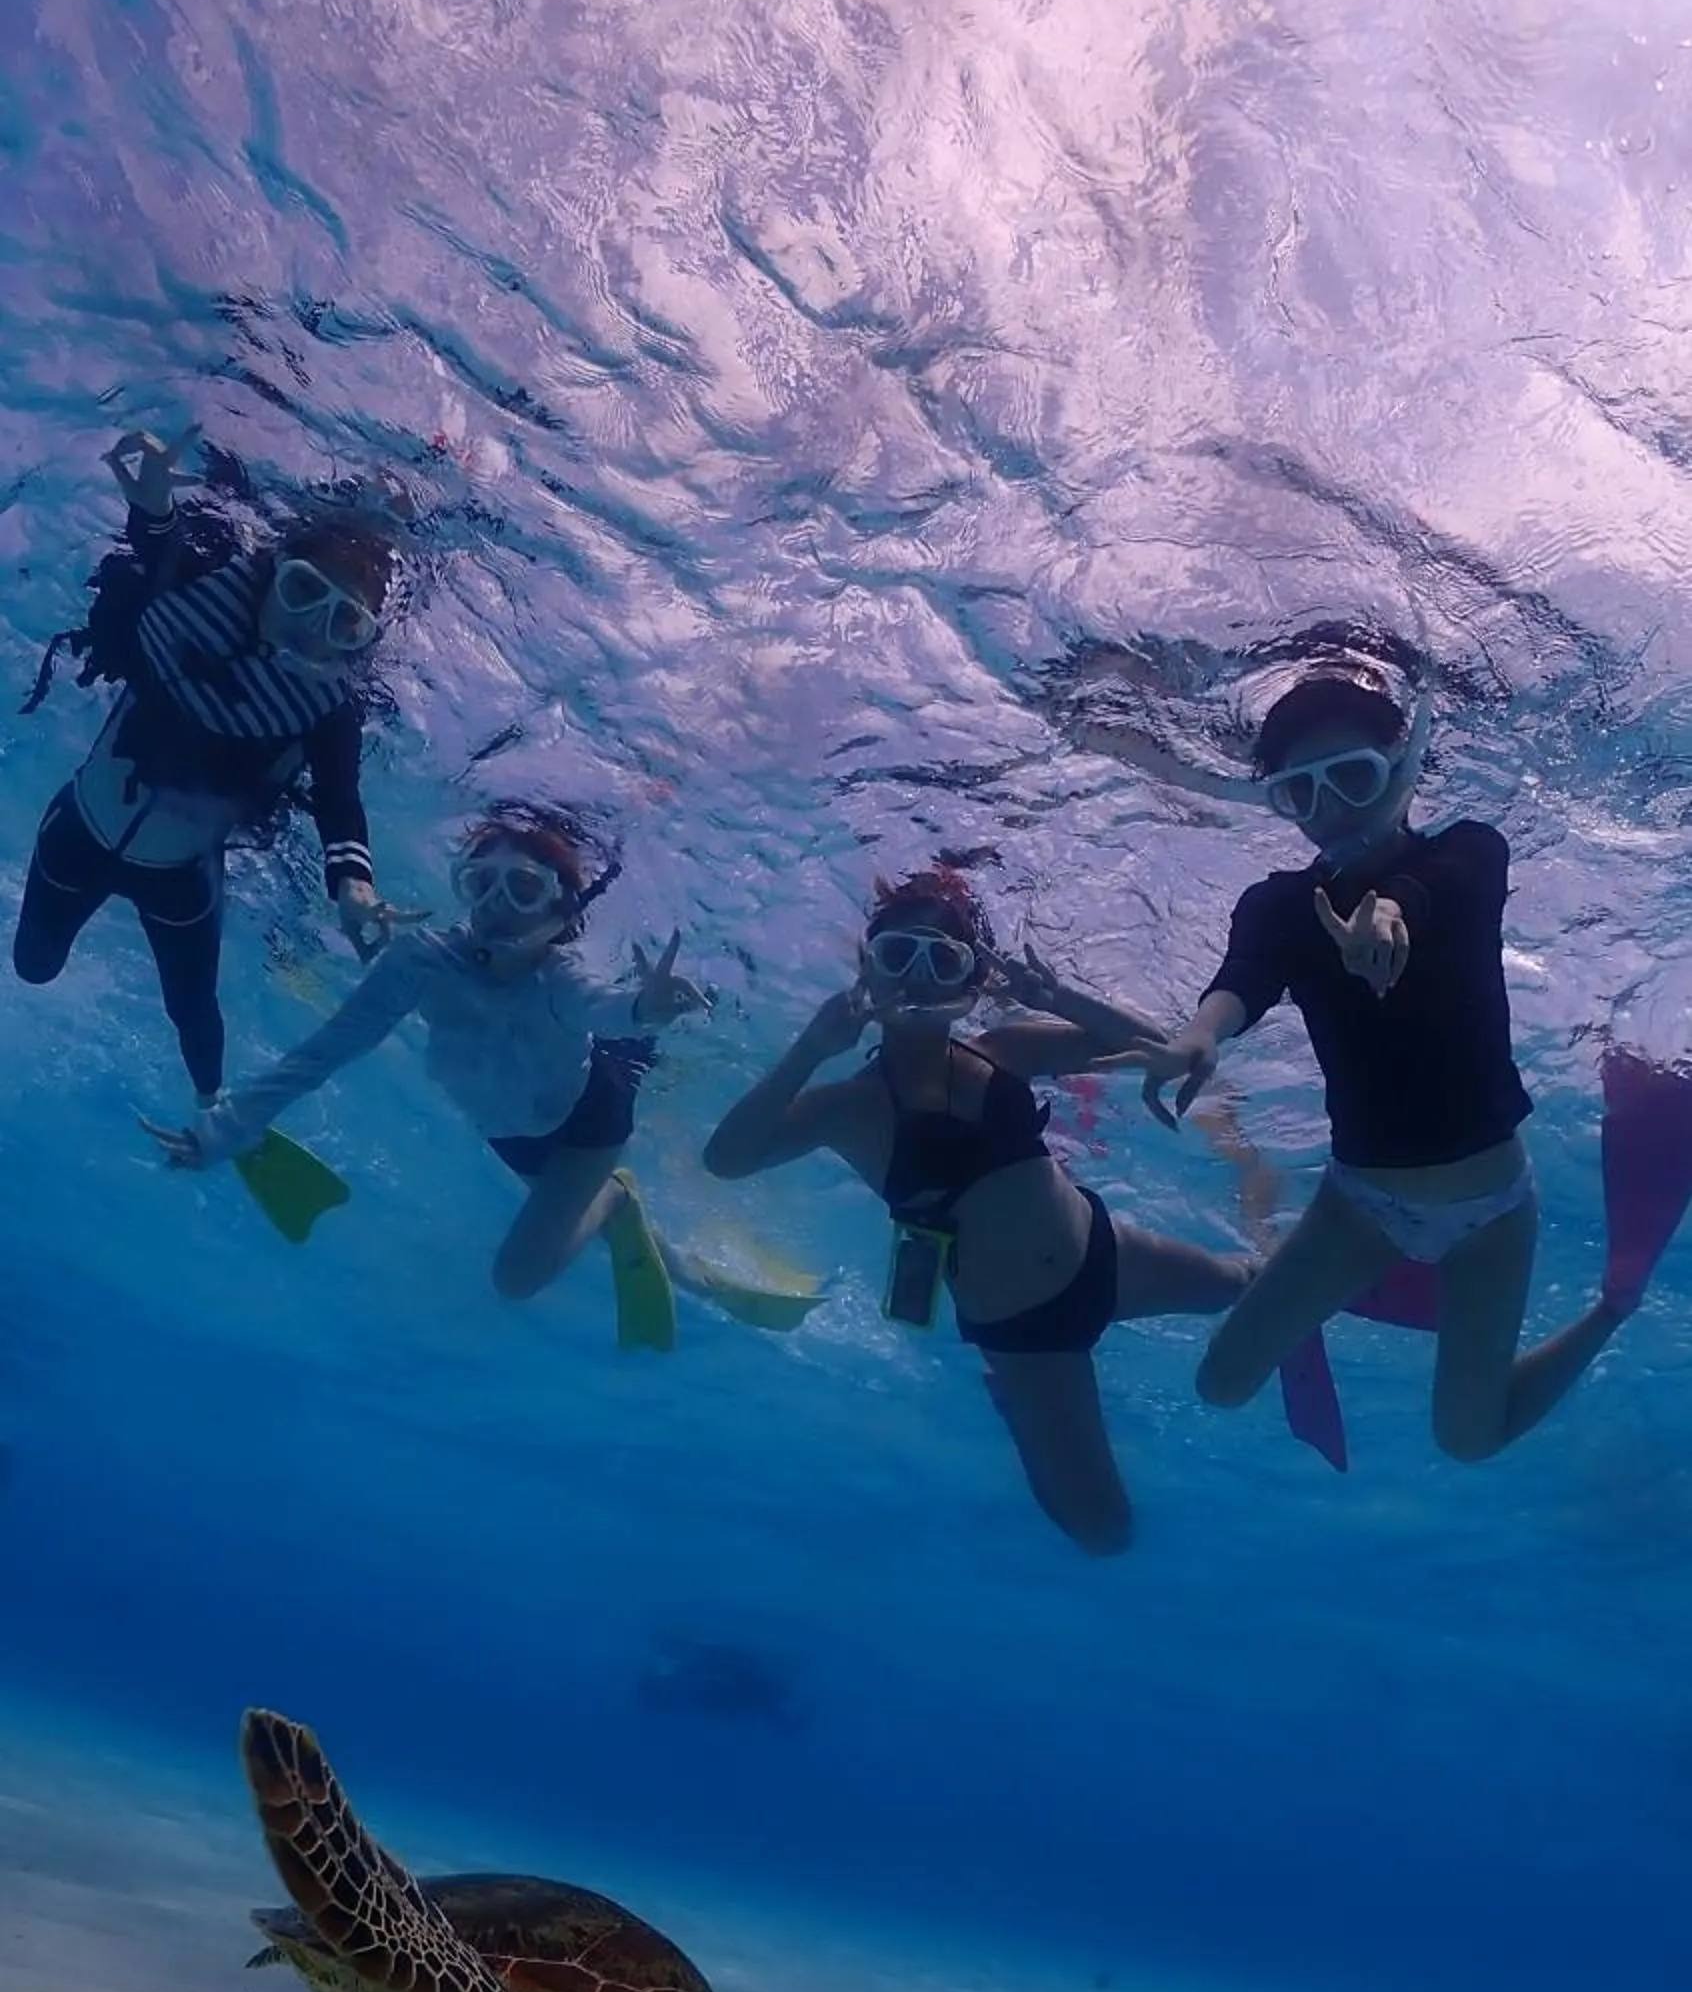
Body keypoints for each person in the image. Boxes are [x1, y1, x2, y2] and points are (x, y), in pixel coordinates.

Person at [1062, 661, 1692, 1461]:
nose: (1330, 811)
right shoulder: (1279, 906)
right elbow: (1245, 978)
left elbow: (1441, 886)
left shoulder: (1472, 852)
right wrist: (1200, 1036)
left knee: (1470, 1438)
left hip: (1489, 1214)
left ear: (1400, 771)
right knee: (1218, 1385)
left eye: (1353, 777)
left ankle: (1614, 1305)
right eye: (1302, 792)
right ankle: (1289, 1277)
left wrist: (1390, 907)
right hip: (1357, 1203)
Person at [702, 868, 1251, 1553]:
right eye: (899, 955)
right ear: (867, 970)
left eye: (944, 959)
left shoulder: (1006, 1048)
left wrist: (1060, 998)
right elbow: (726, 1159)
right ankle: (1015, 1413)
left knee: (1240, 1284)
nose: (919, 977)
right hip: (1027, 1333)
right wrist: (810, 1048)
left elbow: (1164, 1054)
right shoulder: (850, 1105)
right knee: (1104, 1531)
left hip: (1107, 1254)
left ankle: (1330, 1267)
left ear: (970, 981)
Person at [143, 806, 715, 1345]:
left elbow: (606, 1008)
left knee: (515, 1279)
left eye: (522, 889)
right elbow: (325, 1051)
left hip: (587, 1123)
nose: (495, 904)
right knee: (560, 1217)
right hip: (514, 1135)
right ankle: (673, 1259)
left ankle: (616, 1200)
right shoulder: (419, 962)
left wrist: (646, 1009)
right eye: (480, 882)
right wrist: (225, 1128)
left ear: (559, 914)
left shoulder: (558, 976)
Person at [14, 426, 408, 1106]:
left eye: (343, 624)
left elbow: (341, 803)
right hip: (78, 833)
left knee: (194, 1014)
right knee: (32, 969)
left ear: (358, 643)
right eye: (303, 590)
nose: (312, 626)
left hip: (181, 880)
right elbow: (159, 547)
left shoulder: (325, 709)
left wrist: (356, 889)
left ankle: (213, 1110)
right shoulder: (205, 591)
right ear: (273, 573)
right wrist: (152, 502)